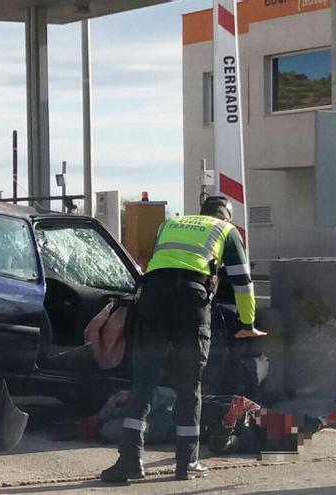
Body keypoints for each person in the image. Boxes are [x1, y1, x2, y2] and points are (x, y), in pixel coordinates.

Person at [100, 195, 262, 483]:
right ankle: (187, 463)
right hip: (191, 301)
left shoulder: (170, 224)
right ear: (227, 216)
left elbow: (159, 264)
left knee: (144, 382)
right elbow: (242, 281)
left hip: (152, 299)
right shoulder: (225, 230)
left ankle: (129, 461)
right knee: (189, 384)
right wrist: (248, 323)